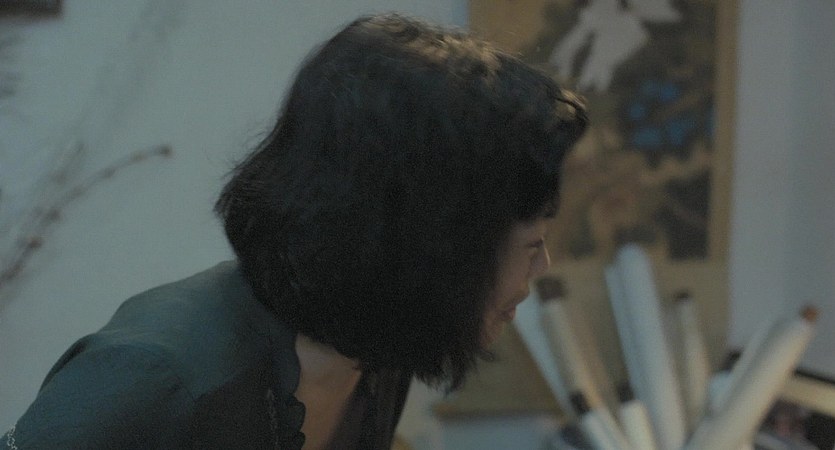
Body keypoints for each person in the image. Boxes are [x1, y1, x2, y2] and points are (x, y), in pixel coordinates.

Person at [2, 13, 587, 450]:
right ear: (426, 247)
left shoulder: (377, 350)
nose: (542, 268)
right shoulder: (155, 381)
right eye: (532, 245)